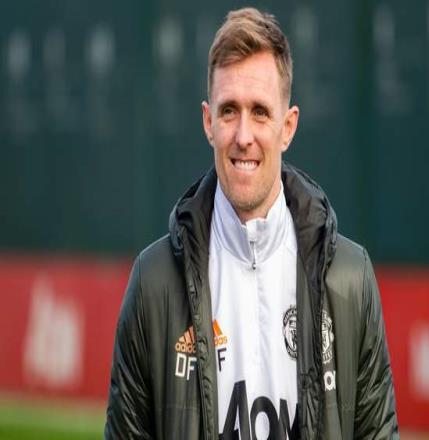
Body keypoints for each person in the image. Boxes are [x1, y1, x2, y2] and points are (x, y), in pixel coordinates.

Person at [105, 7, 398, 439]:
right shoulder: (154, 283)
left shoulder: (350, 280)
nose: (244, 136)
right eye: (229, 111)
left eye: (260, 111)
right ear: (208, 122)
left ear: (288, 126)